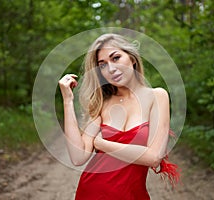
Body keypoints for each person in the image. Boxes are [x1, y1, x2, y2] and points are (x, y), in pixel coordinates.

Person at [58, 33, 179, 200]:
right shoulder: (102, 103)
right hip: (91, 193)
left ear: (132, 58)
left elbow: (154, 157)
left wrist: (101, 143)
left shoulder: (157, 96)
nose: (111, 69)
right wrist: (67, 101)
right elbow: (78, 157)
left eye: (115, 58)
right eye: (102, 65)